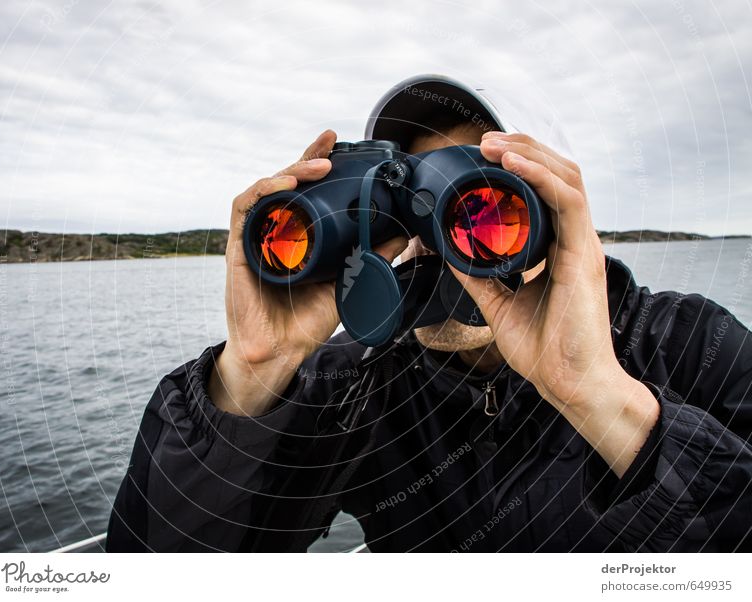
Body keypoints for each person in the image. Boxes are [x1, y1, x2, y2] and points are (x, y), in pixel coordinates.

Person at [106, 75, 752, 552]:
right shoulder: (355, 385)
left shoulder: (691, 344)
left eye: (482, 208)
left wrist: (601, 398)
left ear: (556, 216)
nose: (435, 242)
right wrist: (250, 376)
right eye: (407, 205)